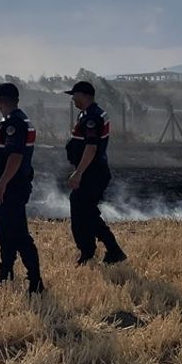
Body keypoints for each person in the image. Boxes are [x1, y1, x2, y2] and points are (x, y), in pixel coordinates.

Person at [0, 83, 44, 293]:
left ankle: (35, 282)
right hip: (11, 185)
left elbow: (15, 157)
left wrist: (1, 185)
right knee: (4, 232)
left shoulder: (15, 123)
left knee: (19, 234)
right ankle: (6, 273)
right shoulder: (16, 120)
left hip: (13, 187)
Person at [64, 80, 127, 265]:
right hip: (93, 171)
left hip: (91, 173)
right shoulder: (90, 113)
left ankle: (107, 250)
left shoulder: (91, 117)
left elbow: (91, 148)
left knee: (85, 212)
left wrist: (79, 173)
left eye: (75, 95)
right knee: (84, 211)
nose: (73, 99)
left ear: (84, 95)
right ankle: (93, 250)